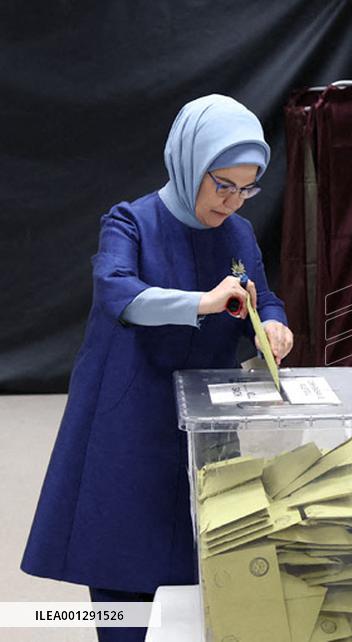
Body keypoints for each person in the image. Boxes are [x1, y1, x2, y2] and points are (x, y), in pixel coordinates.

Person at [21, 95, 293, 642]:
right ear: (190, 161)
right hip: (130, 417)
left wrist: (273, 323)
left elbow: (262, 294)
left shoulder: (237, 231)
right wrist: (201, 302)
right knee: (122, 563)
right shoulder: (131, 221)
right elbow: (118, 293)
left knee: (202, 556)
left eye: (247, 189)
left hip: (204, 424)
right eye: (224, 186)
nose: (234, 201)